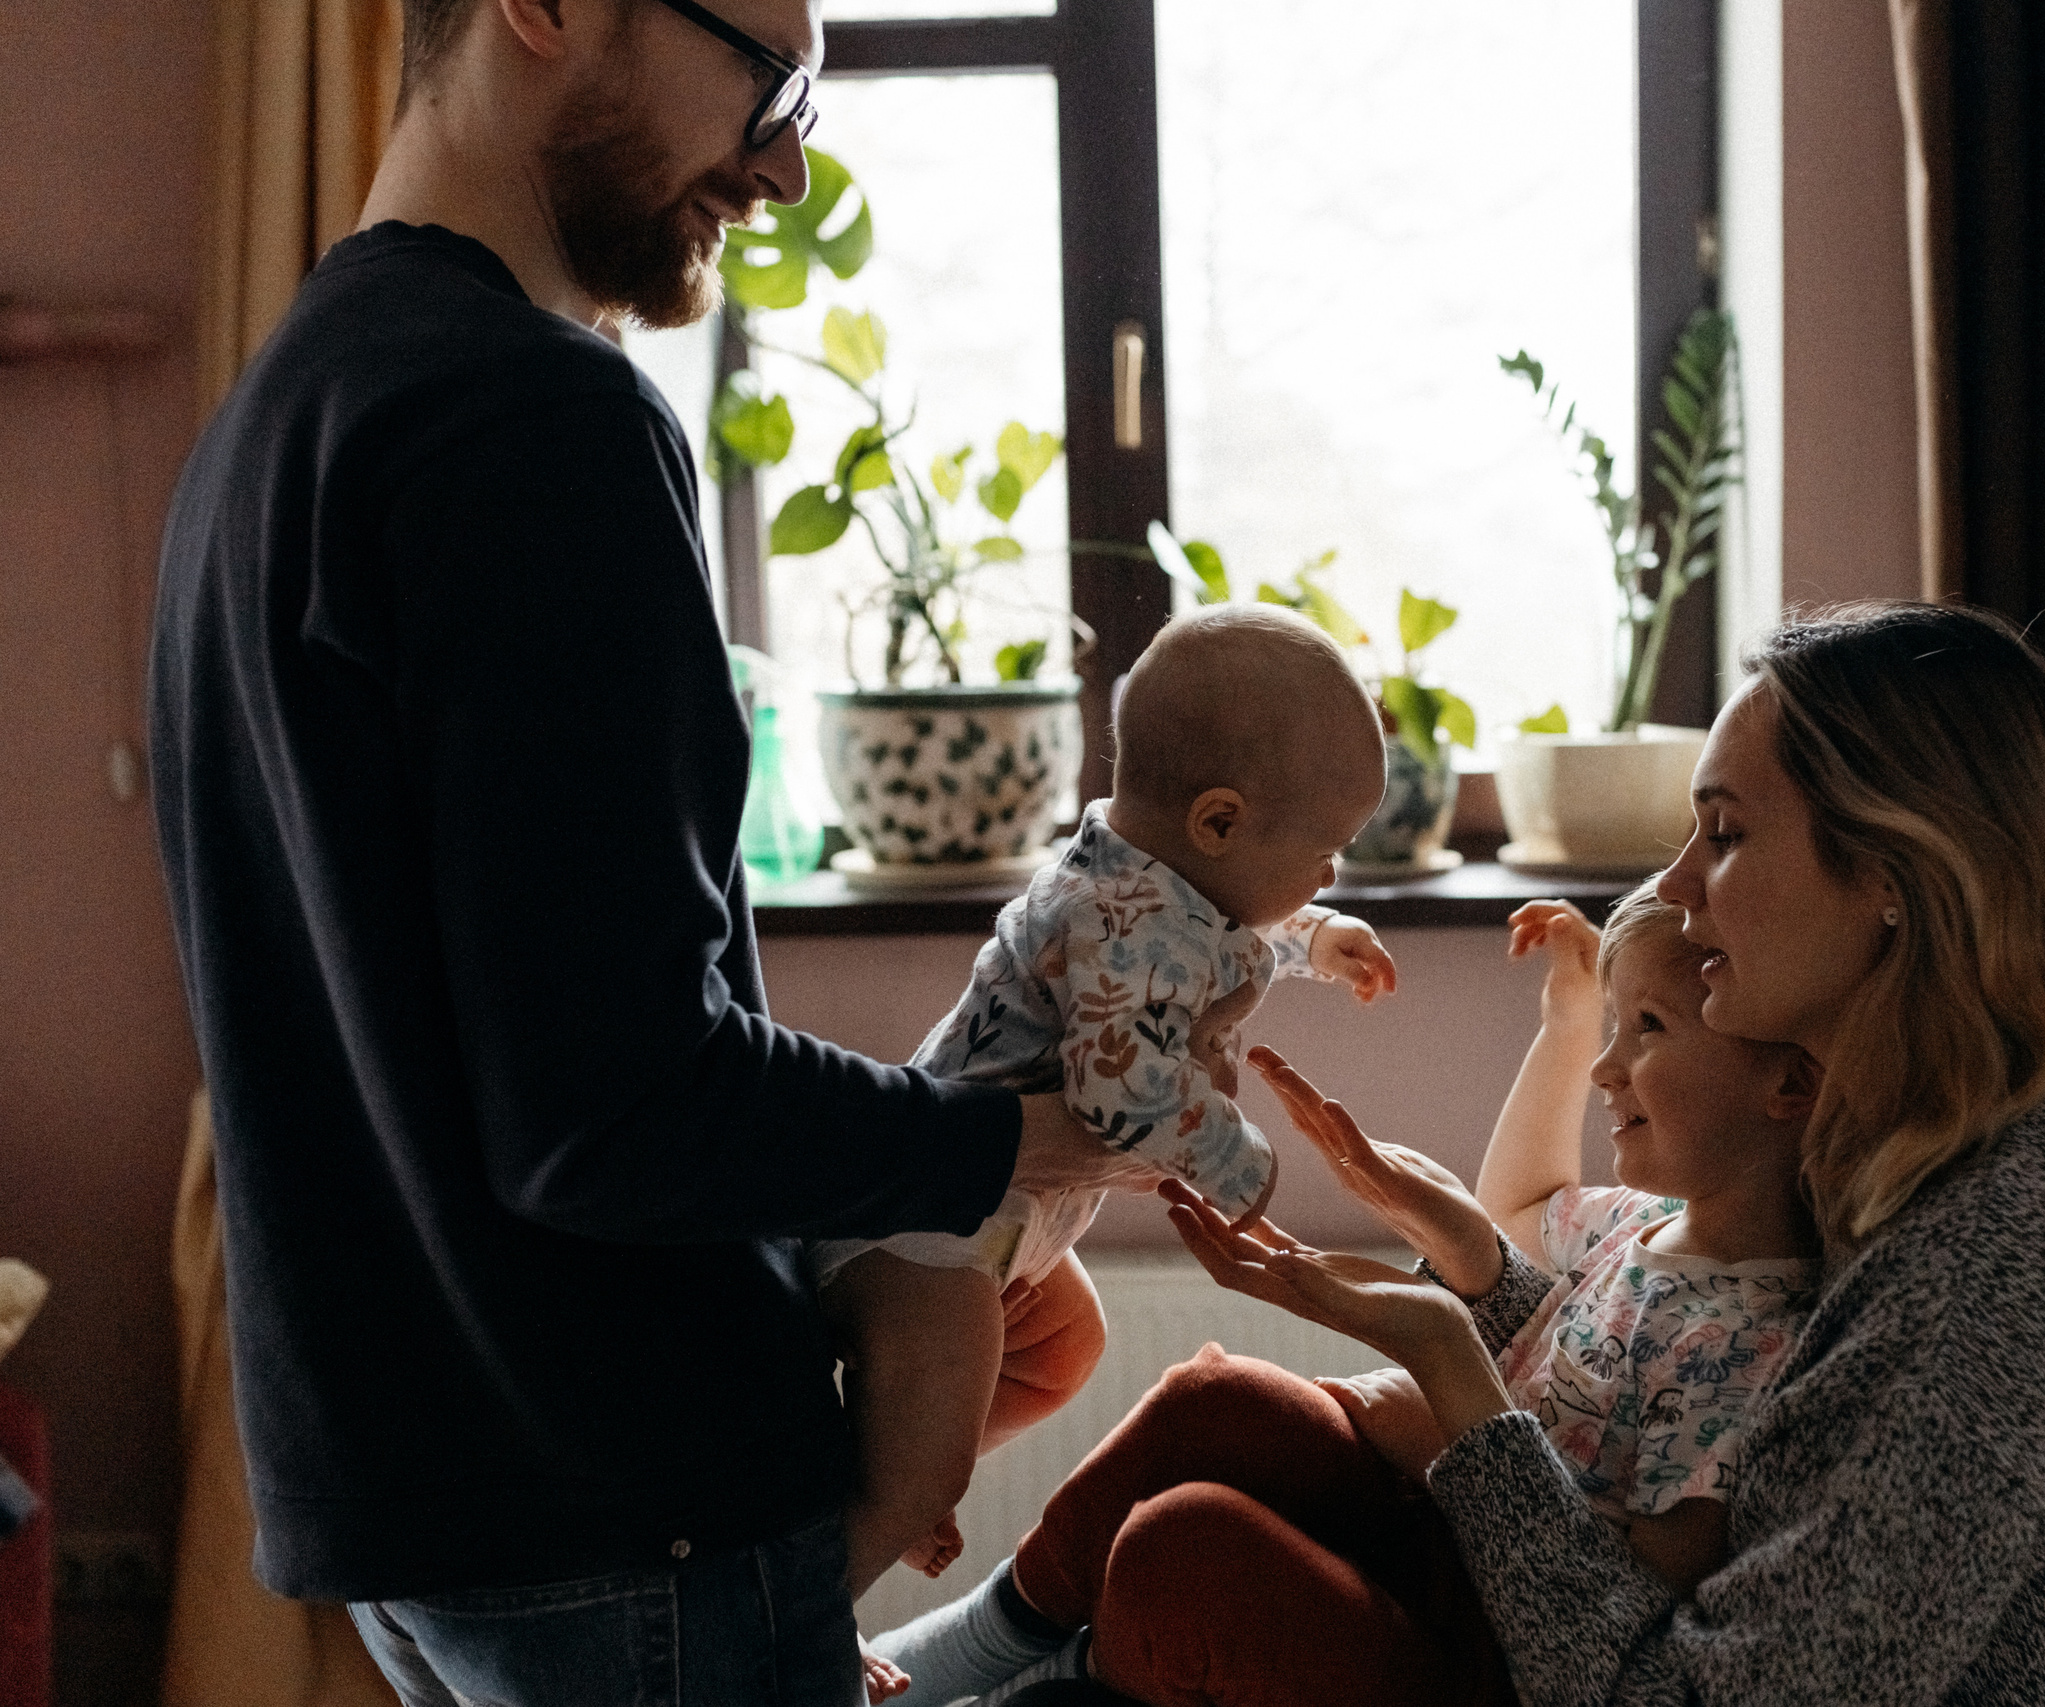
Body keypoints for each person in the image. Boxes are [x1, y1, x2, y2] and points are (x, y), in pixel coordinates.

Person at [147, 1, 1143, 1701]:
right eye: (771, 76)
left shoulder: (271, 419)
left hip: (413, 1512)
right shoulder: (538, 421)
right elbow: (612, 1102)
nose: (785, 162)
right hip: (621, 1504)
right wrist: (1001, 1147)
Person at [1166, 602, 2045, 1706]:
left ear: (1891, 878)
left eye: (1723, 836)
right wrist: (1487, 1294)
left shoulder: (2001, 1271)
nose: (1674, 886)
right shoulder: (1935, 1151)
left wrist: (1461, 1401)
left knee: (1198, 1559)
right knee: (1221, 1461)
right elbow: (1687, 1377)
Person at [876, 878, 1824, 1706]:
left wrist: (1449, 1431)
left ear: (1790, 1082)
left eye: (1648, 1028)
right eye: (1617, 1030)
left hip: (1499, 1652)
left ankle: (1052, 1688)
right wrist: (1566, 1025)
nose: (1609, 1067)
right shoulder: (1635, 1219)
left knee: (1186, 1550)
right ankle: (978, 1646)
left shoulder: (1774, 1346)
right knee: (1213, 1401)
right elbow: (1524, 1218)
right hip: (1442, 1532)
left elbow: (1640, 1595)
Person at [819, 605, 1400, 1606]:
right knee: (918, 1481)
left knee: (1063, 1350)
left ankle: (895, 1459)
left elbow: (1225, 922)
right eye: (1325, 853)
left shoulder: (1150, 879)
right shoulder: (1116, 918)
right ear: (1217, 820)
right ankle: (810, 1616)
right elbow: (1116, 1085)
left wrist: (1313, 935)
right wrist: (1237, 1167)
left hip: (997, 1221)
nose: (1329, 871)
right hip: (933, 1229)